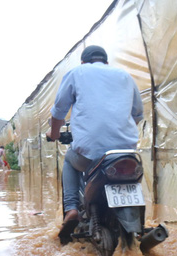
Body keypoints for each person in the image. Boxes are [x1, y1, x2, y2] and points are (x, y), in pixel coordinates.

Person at [46, 45, 144, 244]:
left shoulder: (76, 73)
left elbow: (58, 112)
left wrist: (54, 134)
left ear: (83, 62)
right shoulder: (125, 76)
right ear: (106, 62)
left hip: (91, 155)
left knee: (70, 161)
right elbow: (138, 114)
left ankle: (72, 209)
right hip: (126, 154)